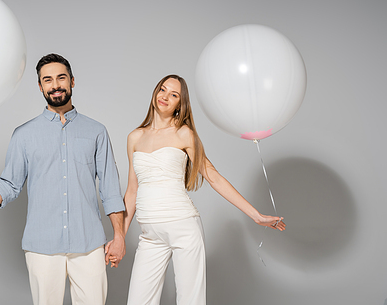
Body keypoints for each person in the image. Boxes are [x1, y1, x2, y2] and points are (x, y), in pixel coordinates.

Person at [0, 53, 126, 305]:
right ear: (40, 87)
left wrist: (119, 237)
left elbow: (111, 190)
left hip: (89, 244)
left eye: (61, 78)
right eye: (47, 80)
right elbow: (9, 187)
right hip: (42, 245)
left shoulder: (97, 132)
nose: (55, 85)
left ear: (72, 81)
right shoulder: (24, 135)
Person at [107, 74, 286, 305]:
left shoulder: (184, 134)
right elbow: (132, 192)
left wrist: (256, 215)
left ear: (180, 105)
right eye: (162, 90)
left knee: (190, 301)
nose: (165, 97)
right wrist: (119, 236)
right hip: (150, 235)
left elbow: (214, 177)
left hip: (183, 227)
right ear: (155, 93)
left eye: (174, 95)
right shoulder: (135, 137)